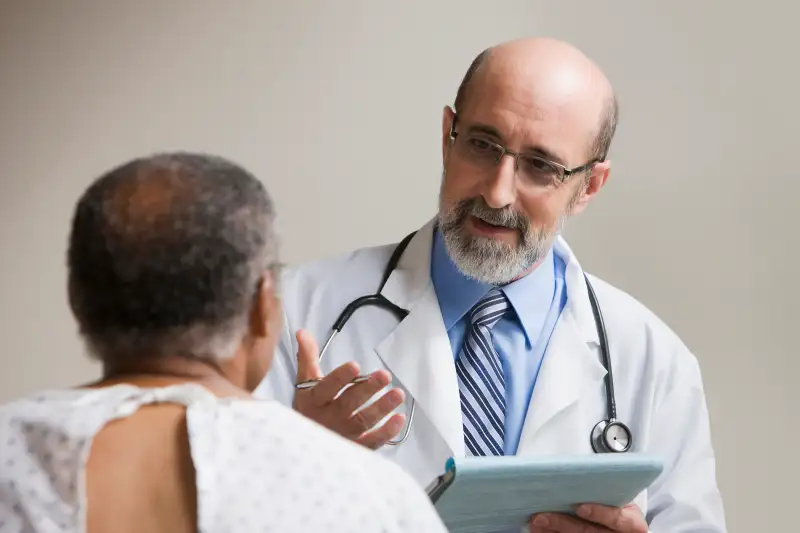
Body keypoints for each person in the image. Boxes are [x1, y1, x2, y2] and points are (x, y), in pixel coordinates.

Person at [254, 37, 728, 532]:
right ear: (447, 137)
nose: (498, 191)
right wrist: (291, 462)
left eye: (540, 166)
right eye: (483, 145)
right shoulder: (296, 314)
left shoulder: (654, 361)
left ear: (589, 186)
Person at [0, 152, 448, 533]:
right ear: (260, 306)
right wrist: (309, 445)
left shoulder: (11, 450)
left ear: (77, 299)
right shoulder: (376, 498)